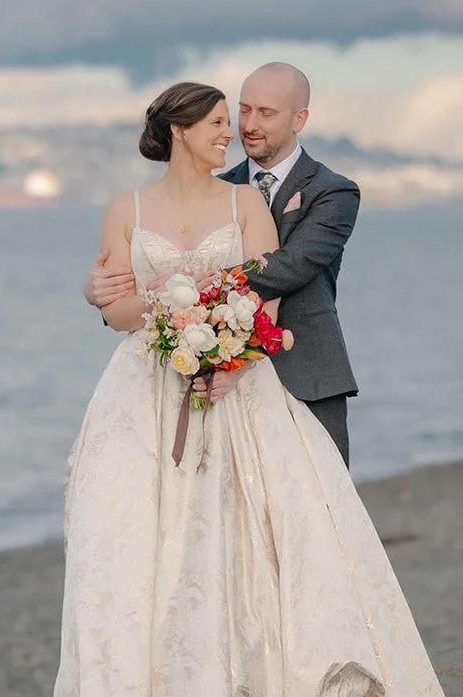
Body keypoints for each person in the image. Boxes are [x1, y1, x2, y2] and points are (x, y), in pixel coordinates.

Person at [51, 81, 463, 697]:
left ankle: (255, 694)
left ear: (295, 118)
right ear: (181, 129)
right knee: (139, 541)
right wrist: (130, 305)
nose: (234, 130)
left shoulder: (256, 200)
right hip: (143, 390)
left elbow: (270, 297)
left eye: (246, 116)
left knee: (252, 539)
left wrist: (220, 348)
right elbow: (119, 306)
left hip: (241, 381)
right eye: (223, 119)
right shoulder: (125, 208)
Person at [86, 62, 360, 465]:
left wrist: (190, 287)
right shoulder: (217, 185)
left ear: (299, 119)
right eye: (244, 109)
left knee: (317, 511)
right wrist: (98, 291)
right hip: (205, 374)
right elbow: (133, 277)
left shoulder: (333, 191)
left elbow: (293, 264)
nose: (248, 124)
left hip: (306, 371)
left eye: (266, 113)